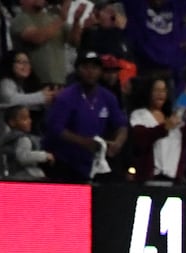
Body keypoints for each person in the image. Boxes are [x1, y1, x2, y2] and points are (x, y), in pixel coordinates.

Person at [46, 49, 127, 181]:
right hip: (66, 163)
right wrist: (84, 142)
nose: (90, 72)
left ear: (100, 71)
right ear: (77, 70)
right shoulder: (66, 97)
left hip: (94, 162)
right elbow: (56, 128)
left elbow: (121, 124)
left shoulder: (108, 97)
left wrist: (118, 142)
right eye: (85, 67)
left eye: (95, 67)